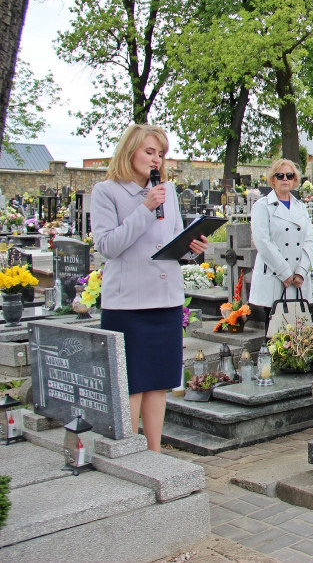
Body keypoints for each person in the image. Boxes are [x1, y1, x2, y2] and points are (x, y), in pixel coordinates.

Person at [91, 124, 208, 452]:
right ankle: (128, 451)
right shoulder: (107, 191)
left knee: (158, 382)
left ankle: (154, 451)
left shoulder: (168, 192)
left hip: (165, 298)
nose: (156, 159)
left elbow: (172, 240)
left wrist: (190, 248)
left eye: (160, 154)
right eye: (149, 152)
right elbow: (108, 246)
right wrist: (144, 209)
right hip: (128, 304)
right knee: (132, 383)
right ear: (130, 151)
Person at [249, 159, 313, 327]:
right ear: (273, 180)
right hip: (276, 278)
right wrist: (284, 273)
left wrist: (301, 271)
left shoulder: (300, 207)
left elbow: (309, 239)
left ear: (294, 180)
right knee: (274, 336)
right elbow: (263, 242)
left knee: (300, 336)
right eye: (280, 176)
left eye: (289, 175)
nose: (285, 179)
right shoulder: (262, 206)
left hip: (297, 280)